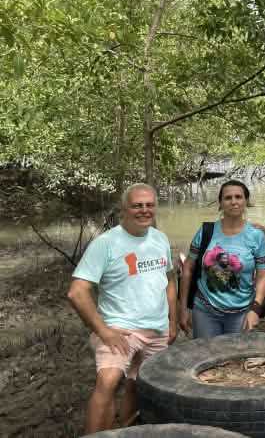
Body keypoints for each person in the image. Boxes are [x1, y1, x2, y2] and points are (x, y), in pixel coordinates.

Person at [67, 184, 176, 433]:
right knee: (108, 381)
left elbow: (169, 278)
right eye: (137, 205)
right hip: (120, 329)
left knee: (138, 385)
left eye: (149, 205)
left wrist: (172, 319)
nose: (144, 210)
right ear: (124, 209)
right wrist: (104, 332)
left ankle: (127, 429)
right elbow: (77, 292)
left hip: (156, 329)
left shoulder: (158, 238)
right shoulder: (106, 243)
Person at [178, 180, 265, 339]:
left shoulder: (257, 236)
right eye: (228, 198)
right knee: (206, 357)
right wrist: (184, 308)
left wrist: (256, 309)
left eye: (238, 197)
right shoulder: (206, 231)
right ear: (220, 203)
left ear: (246, 201)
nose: (233, 202)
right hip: (205, 311)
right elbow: (188, 268)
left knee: (237, 359)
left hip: (242, 313)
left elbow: (262, 277)